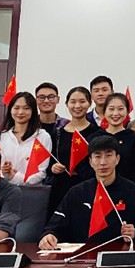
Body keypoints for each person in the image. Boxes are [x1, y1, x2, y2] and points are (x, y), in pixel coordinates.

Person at [39, 136, 135, 249]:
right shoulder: (76, 192)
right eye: (97, 156)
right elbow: (55, 226)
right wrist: (49, 236)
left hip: (119, 257)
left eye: (109, 155)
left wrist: (134, 236)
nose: (103, 162)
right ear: (90, 161)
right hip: (81, 257)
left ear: (117, 159)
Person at [45, 86, 104, 217]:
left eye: (82, 101)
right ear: (67, 104)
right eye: (73, 102)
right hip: (61, 189)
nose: (77, 106)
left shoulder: (97, 133)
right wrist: (53, 168)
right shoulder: (58, 133)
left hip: (88, 188)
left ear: (89, 103)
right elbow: (49, 163)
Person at [0, 91, 53, 185]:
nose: (20, 112)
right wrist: (5, 173)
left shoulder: (42, 136)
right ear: (10, 110)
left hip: (31, 190)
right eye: (16, 108)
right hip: (3, 189)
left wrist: (17, 178)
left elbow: (42, 172)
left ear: (33, 111)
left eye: (26, 108)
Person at [101, 92, 135, 184]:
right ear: (104, 111)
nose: (115, 113)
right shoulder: (95, 137)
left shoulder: (134, 139)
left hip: (128, 188)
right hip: (99, 188)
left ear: (127, 112)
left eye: (120, 109)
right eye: (111, 109)